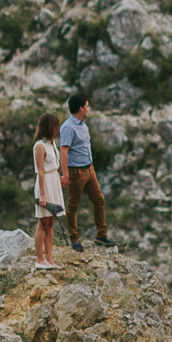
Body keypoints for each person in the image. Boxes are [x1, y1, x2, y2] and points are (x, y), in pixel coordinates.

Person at [59, 91, 113, 251]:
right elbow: (63, 151)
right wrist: (65, 174)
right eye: (87, 106)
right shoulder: (68, 127)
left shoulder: (83, 125)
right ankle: (74, 239)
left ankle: (101, 235)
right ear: (81, 109)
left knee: (99, 200)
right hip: (76, 172)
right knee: (73, 205)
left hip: (89, 169)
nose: (89, 108)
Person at [33, 111, 65, 269]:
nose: (57, 129)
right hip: (44, 184)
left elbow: (53, 166)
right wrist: (43, 194)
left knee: (50, 221)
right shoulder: (40, 146)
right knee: (42, 222)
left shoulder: (52, 144)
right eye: (55, 126)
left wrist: (59, 178)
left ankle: (49, 258)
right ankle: (39, 260)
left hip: (53, 182)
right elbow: (40, 171)